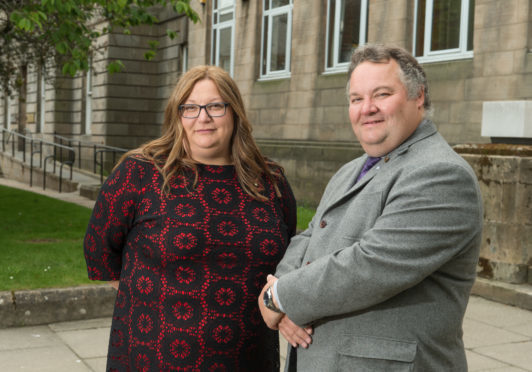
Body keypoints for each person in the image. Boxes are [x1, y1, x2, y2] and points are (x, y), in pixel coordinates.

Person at [259, 44, 483, 371]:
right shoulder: (351, 170)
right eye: (356, 99)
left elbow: (370, 265)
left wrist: (278, 298)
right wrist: (282, 296)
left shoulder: (440, 174)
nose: (367, 108)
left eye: (381, 94)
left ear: (418, 96)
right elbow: (309, 237)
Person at [84, 65, 296, 371]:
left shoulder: (270, 180)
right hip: (157, 356)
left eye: (215, 106)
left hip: (250, 356)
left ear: (234, 112)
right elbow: (99, 250)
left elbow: (289, 254)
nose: (203, 117)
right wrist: (149, 295)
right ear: (177, 115)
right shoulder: (139, 173)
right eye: (191, 108)